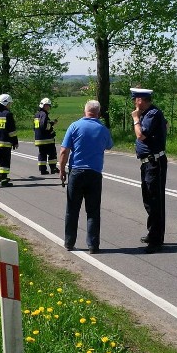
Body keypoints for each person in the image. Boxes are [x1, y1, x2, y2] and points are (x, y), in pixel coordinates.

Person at [58, 100, 113, 254]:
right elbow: (109, 145)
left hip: (76, 172)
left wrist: (62, 170)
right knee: (93, 211)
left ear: (85, 111)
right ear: (98, 112)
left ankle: (69, 242)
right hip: (94, 174)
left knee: (72, 209)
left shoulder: (74, 126)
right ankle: (93, 245)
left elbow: (64, 151)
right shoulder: (103, 129)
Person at [130, 88, 168, 254]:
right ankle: (153, 233)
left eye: (135, 99)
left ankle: (156, 240)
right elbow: (165, 125)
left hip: (154, 162)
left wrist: (136, 119)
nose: (134, 103)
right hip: (147, 162)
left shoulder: (151, 114)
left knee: (154, 201)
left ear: (140, 100)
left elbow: (141, 135)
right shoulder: (150, 113)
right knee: (148, 199)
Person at [0, 93, 19, 187]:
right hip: (5, 143)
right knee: (5, 161)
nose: (10, 105)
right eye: (9, 103)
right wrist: (15, 142)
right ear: (5, 103)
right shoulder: (8, 114)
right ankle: (4, 179)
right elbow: (12, 131)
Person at [33, 98, 59, 175]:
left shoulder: (37, 114)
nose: (49, 107)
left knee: (42, 153)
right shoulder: (44, 114)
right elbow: (44, 125)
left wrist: (51, 122)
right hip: (47, 139)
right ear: (45, 106)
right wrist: (51, 127)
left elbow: (35, 127)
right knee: (52, 153)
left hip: (39, 139)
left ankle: (43, 170)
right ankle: (53, 168)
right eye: (48, 105)